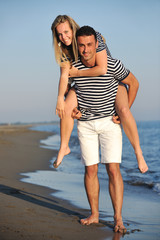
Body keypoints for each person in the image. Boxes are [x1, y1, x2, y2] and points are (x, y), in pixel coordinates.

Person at [51, 15, 148, 173]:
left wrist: (77, 74)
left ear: (73, 29)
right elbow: (64, 77)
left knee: (123, 110)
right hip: (85, 85)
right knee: (66, 107)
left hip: (110, 81)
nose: (64, 37)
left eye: (66, 32)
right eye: (59, 34)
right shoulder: (64, 50)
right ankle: (64, 147)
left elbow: (103, 69)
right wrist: (60, 99)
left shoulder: (91, 37)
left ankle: (138, 153)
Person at [70, 25, 140, 233]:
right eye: (81, 45)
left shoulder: (112, 64)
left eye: (89, 45)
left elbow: (134, 83)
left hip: (110, 123)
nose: (85, 50)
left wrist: (124, 109)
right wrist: (73, 110)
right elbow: (67, 95)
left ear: (97, 44)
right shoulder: (74, 67)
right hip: (86, 125)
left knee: (112, 169)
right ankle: (94, 214)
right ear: (77, 45)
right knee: (90, 169)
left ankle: (118, 219)